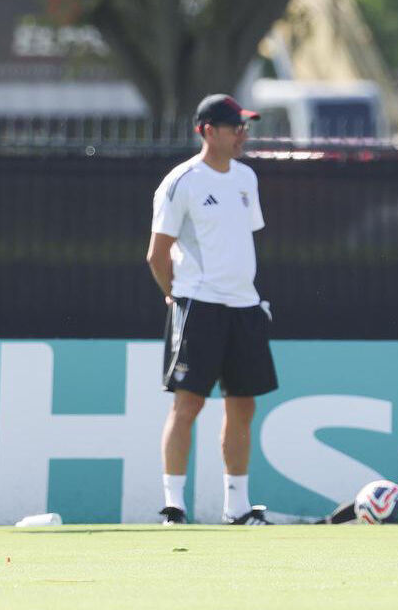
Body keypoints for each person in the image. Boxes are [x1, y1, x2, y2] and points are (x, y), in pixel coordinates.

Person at [147, 94, 278, 526]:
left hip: (244, 307)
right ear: (206, 130)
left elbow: (244, 238)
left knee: (242, 407)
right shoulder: (181, 181)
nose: (243, 134)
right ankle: (173, 505)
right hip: (198, 307)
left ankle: (237, 508)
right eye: (233, 126)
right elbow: (156, 254)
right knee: (188, 405)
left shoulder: (246, 179)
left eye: (245, 126)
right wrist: (174, 295)